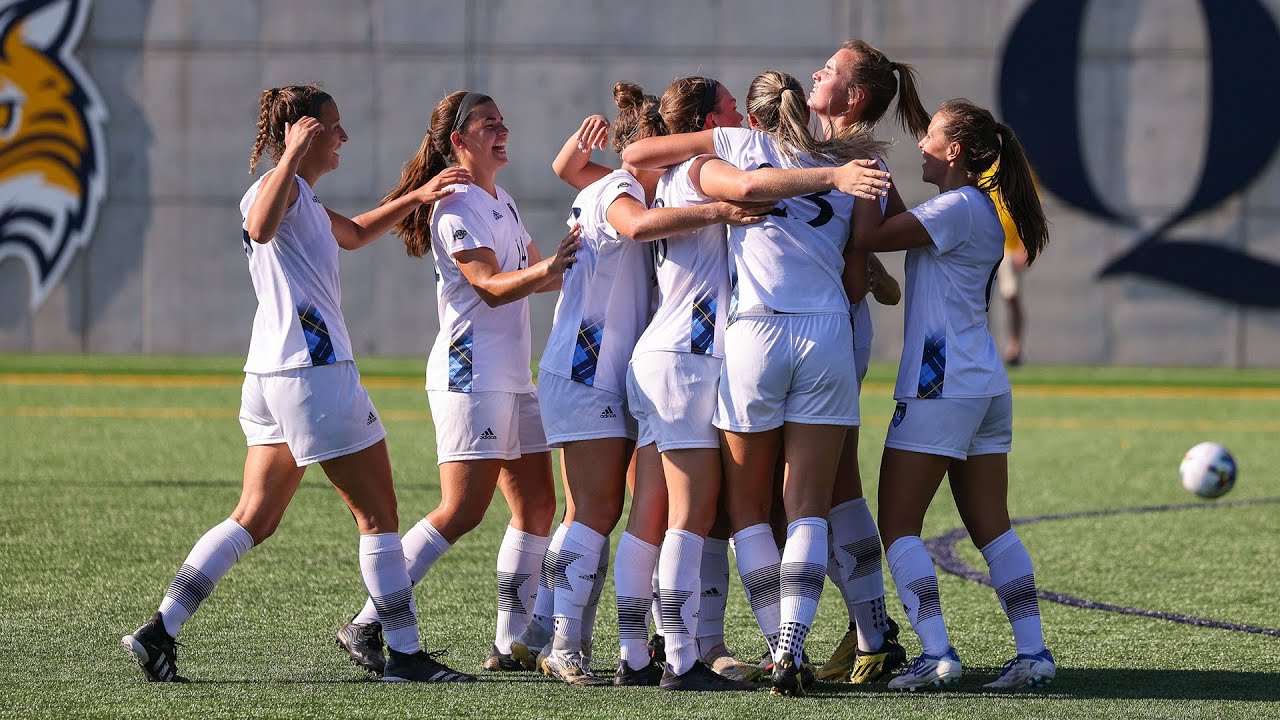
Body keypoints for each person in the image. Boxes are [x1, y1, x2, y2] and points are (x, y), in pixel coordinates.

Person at [121, 84, 473, 683]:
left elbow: (356, 233)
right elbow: (260, 226)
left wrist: (416, 194)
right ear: (304, 131)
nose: (342, 137)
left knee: (255, 516)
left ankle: (160, 628)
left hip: (272, 375)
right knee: (380, 514)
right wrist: (289, 154)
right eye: (332, 127)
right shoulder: (274, 187)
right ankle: (406, 656)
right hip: (313, 373)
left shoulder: (303, 195)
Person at [622, 70, 892, 697]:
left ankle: (765, 648)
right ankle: (802, 641)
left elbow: (730, 184)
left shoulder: (736, 146)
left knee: (743, 509)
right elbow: (860, 272)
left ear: (747, 113)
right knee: (806, 505)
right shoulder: (848, 163)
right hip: (827, 332)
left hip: (754, 334)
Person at [525, 81, 772, 689]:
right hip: (592, 367)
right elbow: (635, 226)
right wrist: (723, 210)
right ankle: (564, 642)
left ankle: (630, 650)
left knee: (639, 510)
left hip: (624, 366)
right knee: (599, 509)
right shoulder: (621, 189)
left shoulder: (644, 186)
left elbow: (571, 169)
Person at [333, 90, 581, 677]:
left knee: (538, 505)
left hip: (512, 375)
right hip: (469, 374)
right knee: (463, 508)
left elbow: (539, 276)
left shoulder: (503, 200)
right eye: (488, 123)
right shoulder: (455, 206)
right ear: (458, 142)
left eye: (502, 121)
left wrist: (594, 258)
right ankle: (370, 620)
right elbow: (492, 285)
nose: (503, 129)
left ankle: (507, 644)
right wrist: (552, 267)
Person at [851, 99, 1053, 691]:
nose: (920, 145)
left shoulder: (959, 207)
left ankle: (937, 652)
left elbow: (869, 236)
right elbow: (901, 222)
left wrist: (858, 172)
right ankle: (1032, 652)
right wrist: (875, 178)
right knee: (994, 529)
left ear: (955, 151)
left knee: (899, 527)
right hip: (983, 382)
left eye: (930, 137)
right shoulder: (969, 206)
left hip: (941, 383)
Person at [804, 39, 932, 686]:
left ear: (852, 98)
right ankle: (864, 629)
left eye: (828, 71)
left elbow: (863, 266)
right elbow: (878, 255)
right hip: (821, 333)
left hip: (826, 333)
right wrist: (876, 269)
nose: (815, 73)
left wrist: (863, 272)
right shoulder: (831, 153)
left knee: (828, 487)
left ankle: (874, 635)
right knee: (816, 489)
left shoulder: (859, 162)